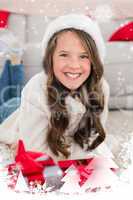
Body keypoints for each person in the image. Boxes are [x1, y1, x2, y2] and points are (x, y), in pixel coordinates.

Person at [0, 14, 111, 162]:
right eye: (64, 55)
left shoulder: (100, 87)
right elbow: (36, 153)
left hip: (28, 104)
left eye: (84, 56)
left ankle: (14, 60)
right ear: (50, 58)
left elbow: (93, 143)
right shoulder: (36, 88)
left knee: (14, 94)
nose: (74, 65)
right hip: (12, 113)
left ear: (94, 61)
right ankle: (14, 61)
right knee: (8, 97)